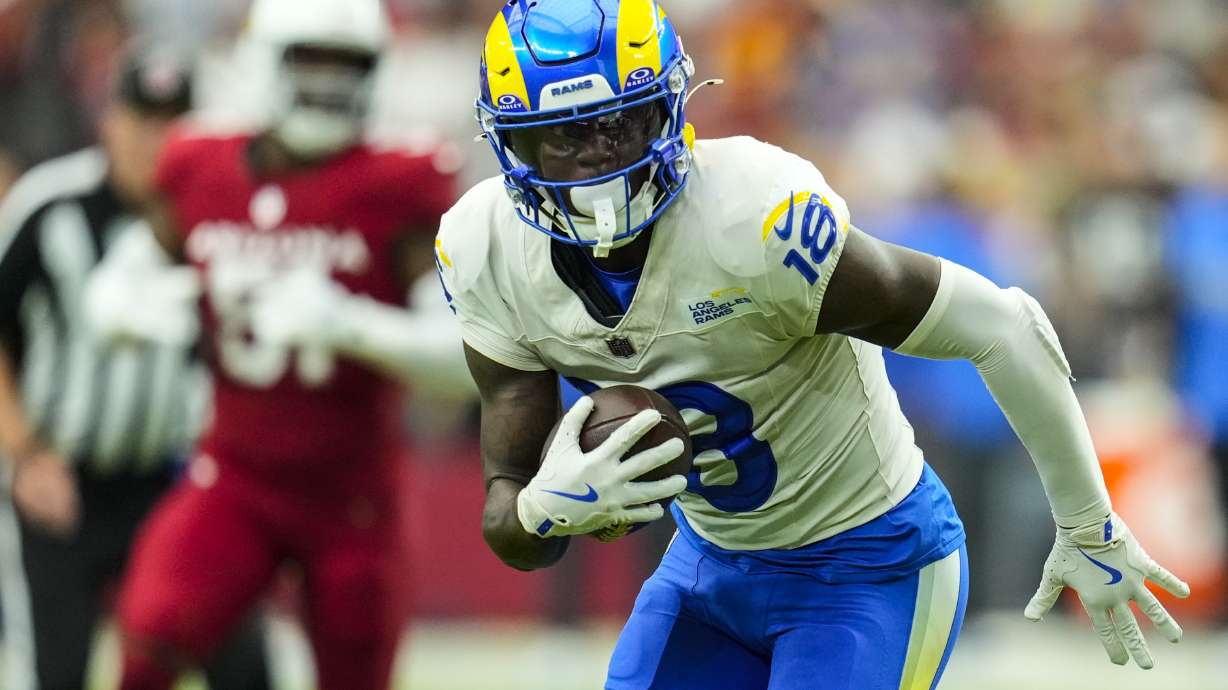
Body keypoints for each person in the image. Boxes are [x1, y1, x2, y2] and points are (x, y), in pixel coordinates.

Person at [436, 1, 1191, 688]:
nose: (599, 158)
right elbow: (511, 521)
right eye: (564, 134)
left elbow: (1003, 325)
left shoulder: (755, 220)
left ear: (669, 110)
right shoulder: (486, 249)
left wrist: (1088, 523)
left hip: (871, 564)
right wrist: (544, 510)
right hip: (709, 567)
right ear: (512, 144)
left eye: (620, 124)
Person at [92, 1, 466, 688]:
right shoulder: (203, 164)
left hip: (353, 495)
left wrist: (350, 325)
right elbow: (121, 276)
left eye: (345, 65)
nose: (328, 82)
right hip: (235, 475)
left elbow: (467, 359)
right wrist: (130, 304)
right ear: (265, 60)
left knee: (355, 674)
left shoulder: (397, 182)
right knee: (150, 637)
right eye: (310, 60)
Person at [0, 48, 270, 690]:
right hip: (62, 485)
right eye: (143, 119)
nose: (158, 139)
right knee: (55, 672)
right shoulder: (51, 205)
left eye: (174, 121)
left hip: (170, 483)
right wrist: (27, 455)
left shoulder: (215, 208)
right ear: (109, 122)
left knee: (242, 662)